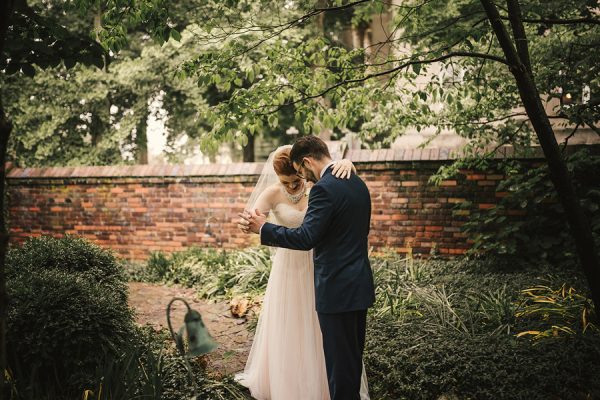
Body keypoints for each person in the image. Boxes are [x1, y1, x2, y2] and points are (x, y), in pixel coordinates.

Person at [239, 136, 374, 400]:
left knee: (339, 368)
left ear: (306, 161)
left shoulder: (323, 189)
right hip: (358, 286)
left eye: (301, 172)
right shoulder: (357, 183)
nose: (305, 179)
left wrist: (264, 229)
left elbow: (305, 237)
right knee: (350, 364)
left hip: (335, 288)